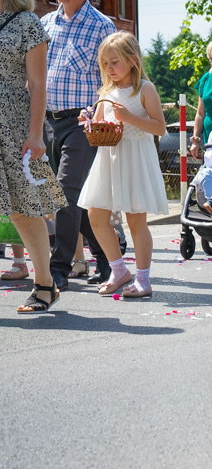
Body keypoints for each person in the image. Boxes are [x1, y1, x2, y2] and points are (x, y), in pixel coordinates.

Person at [42, 0, 117, 291]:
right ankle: (106, 253)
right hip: (46, 123)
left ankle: (57, 269)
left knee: (65, 192)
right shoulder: (44, 24)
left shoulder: (102, 26)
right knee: (76, 198)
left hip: (83, 123)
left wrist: (105, 117)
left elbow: (113, 81)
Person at [0, 0, 65, 313]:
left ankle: (44, 283)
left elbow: (37, 83)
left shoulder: (26, 22)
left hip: (13, 121)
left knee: (23, 208)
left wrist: (36, 133)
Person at [77, 32, 169, 298]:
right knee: (95, 215)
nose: (109, 68)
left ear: (132, 60)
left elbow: (160, 127)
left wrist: (129, 116)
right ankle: (119, 270)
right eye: (104, 63)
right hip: (109, 157)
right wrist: (89, 122)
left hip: (135, 157)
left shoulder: (144, 89)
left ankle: (143, 278)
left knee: (136, 221)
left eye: (114, 62)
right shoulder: (106, 91)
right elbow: (99, 123)